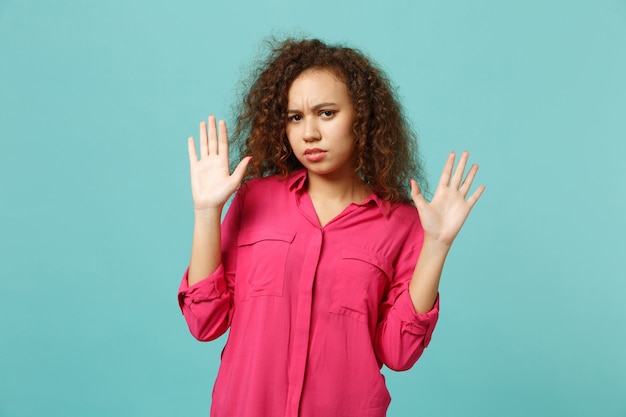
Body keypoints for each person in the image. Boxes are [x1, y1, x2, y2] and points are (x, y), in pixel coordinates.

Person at [177, 38, 484, 417]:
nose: (309, 133)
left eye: (326, 113)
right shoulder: (254, 199)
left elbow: (399, 353)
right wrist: (207, 212)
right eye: (295, 117)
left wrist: (436, 244)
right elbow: (204, 322)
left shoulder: (402, 225)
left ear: (362, 118)